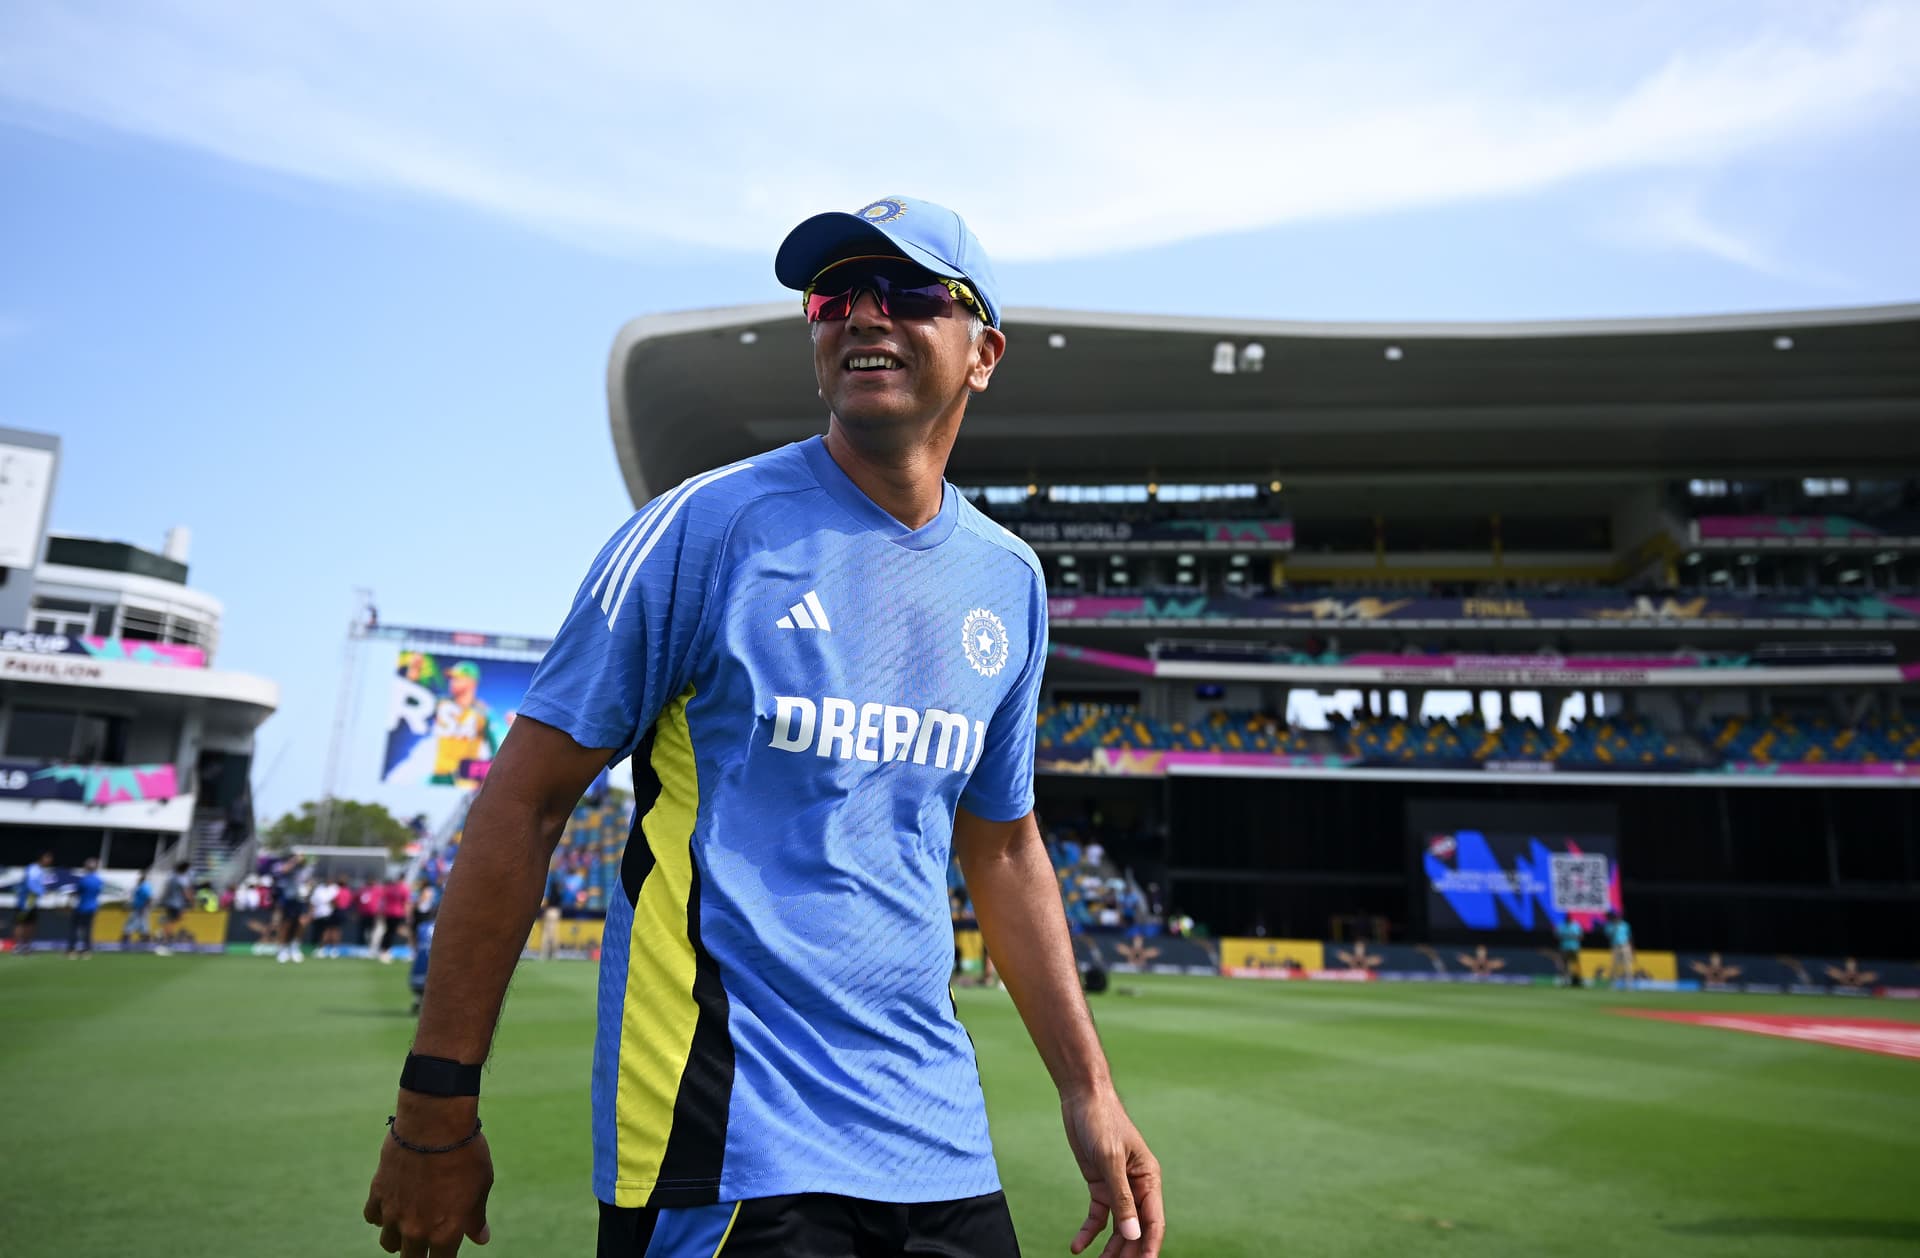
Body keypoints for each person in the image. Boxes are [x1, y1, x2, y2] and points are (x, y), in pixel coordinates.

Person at [365, 195, 1164, 1258]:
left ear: (984, 353)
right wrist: (435, 1104)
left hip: (938, 1139)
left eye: (911, 293)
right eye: (836, 295)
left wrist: (1089, 1089)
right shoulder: (702, 528)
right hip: (726, 1141)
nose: (864, 316)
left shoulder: (1007, 580)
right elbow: (526, 801)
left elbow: (1003, 845)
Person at [12, 851, 54, 954]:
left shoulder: (40, 870)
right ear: (41, 858)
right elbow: (31, 884)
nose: (49, 861)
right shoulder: (33, 869)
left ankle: (26, 945)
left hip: (32, 902)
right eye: (47, 858)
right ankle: (18, 946)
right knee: (21, 924)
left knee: (31, 924)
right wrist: (42, 892)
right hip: (25, 902)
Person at [274, 852, 309, 964]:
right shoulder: (288, 867)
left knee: (302, 923)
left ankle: (294, 947)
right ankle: (283, 949)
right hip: (289, 899)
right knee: (286, 924)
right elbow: (284, 870)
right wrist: (294, 860)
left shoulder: (305, 870)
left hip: (301, 900)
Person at [67, 857, 103, 958]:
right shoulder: (98, 880)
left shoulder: (84, 880)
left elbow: (78, 892)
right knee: (87, 930)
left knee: (74, 928)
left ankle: (72, 950)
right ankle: (86, 951)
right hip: (92, 907)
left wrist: (71, 895)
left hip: (82, 907)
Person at [154, 861, 192, 956]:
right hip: (177, 904)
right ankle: (167, 943)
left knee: (171, 922)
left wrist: (163, 900)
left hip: (169, 903)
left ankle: (164, 935)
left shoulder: (171, 876)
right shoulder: (182, 878)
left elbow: (166, 890)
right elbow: (186, 892)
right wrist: (190, 901)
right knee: (171, 923)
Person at [122, 871, 154, 948]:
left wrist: (144, 908)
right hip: (138, 909)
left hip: (140, 910)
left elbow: (149, 898)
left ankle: (124, 944)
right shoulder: (140, 886)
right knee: (143, 927)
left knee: (130, 926)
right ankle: (146, 944)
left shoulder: (144, 886)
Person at [1605, 910, 1635, 990]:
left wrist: (1632, 949)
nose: (1617, 918)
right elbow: (1609, 936)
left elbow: (1629, 937)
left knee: (1627, 965)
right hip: (1615, 946)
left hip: (1625, 946)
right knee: (1615, 965)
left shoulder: (1625, 925)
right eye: (1616, 917)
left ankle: (1629, 985)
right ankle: (1613, 984)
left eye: (1618, 917)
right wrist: (1614, 928)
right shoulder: (1610, 926)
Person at [1556, 915, 1585, 988]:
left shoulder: (1576, 926)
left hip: (1574, 948)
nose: (1568, 921)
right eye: (1567, 919)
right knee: (1564, 964)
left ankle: (1577, 980)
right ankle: (1565, 980)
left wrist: (1574, 936)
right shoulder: (1561, 926)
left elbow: (1581, 937)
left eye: (1569, 919)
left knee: (1575, 964)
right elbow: (1557, 936)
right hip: (1564, 947)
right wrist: (1565, 936)